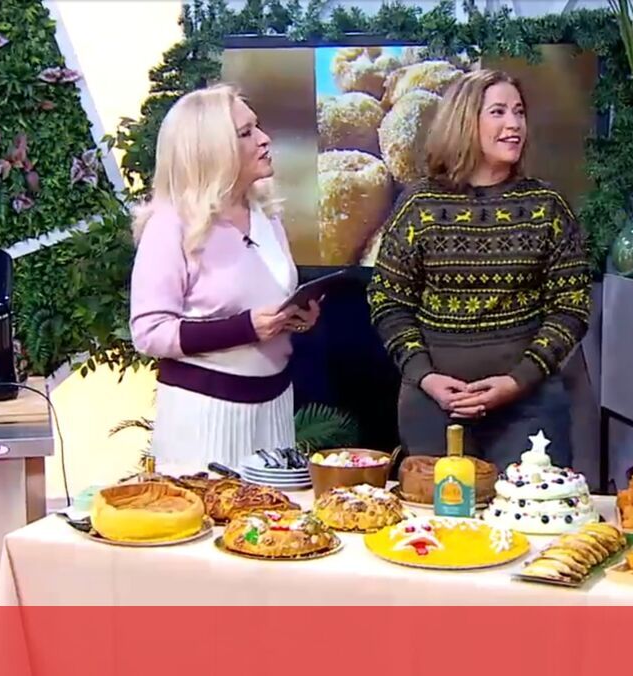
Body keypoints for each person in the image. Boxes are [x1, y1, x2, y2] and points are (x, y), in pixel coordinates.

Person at [366, 69, 591, 469]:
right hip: (433, 406)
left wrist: (518, 380)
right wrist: (425, 376)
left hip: (529, 407)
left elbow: (571, 307)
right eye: (498, 112)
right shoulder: (420, 205)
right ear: (464, 121)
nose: (514, 124)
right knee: (440, 511)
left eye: (519, 112)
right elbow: (388, 301)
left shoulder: (546, 206)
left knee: (529, 510)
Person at [129, 84, 319, 474]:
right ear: (211, 150)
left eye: (257, 127)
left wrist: (295, 319)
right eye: (246, 133)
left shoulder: (265, 214)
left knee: (273, 514)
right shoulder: (171, 225)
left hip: (273, 406)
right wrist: (245, 328)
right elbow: (149, 332)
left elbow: (266, 303)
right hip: (204, 416)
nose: (264, 139)